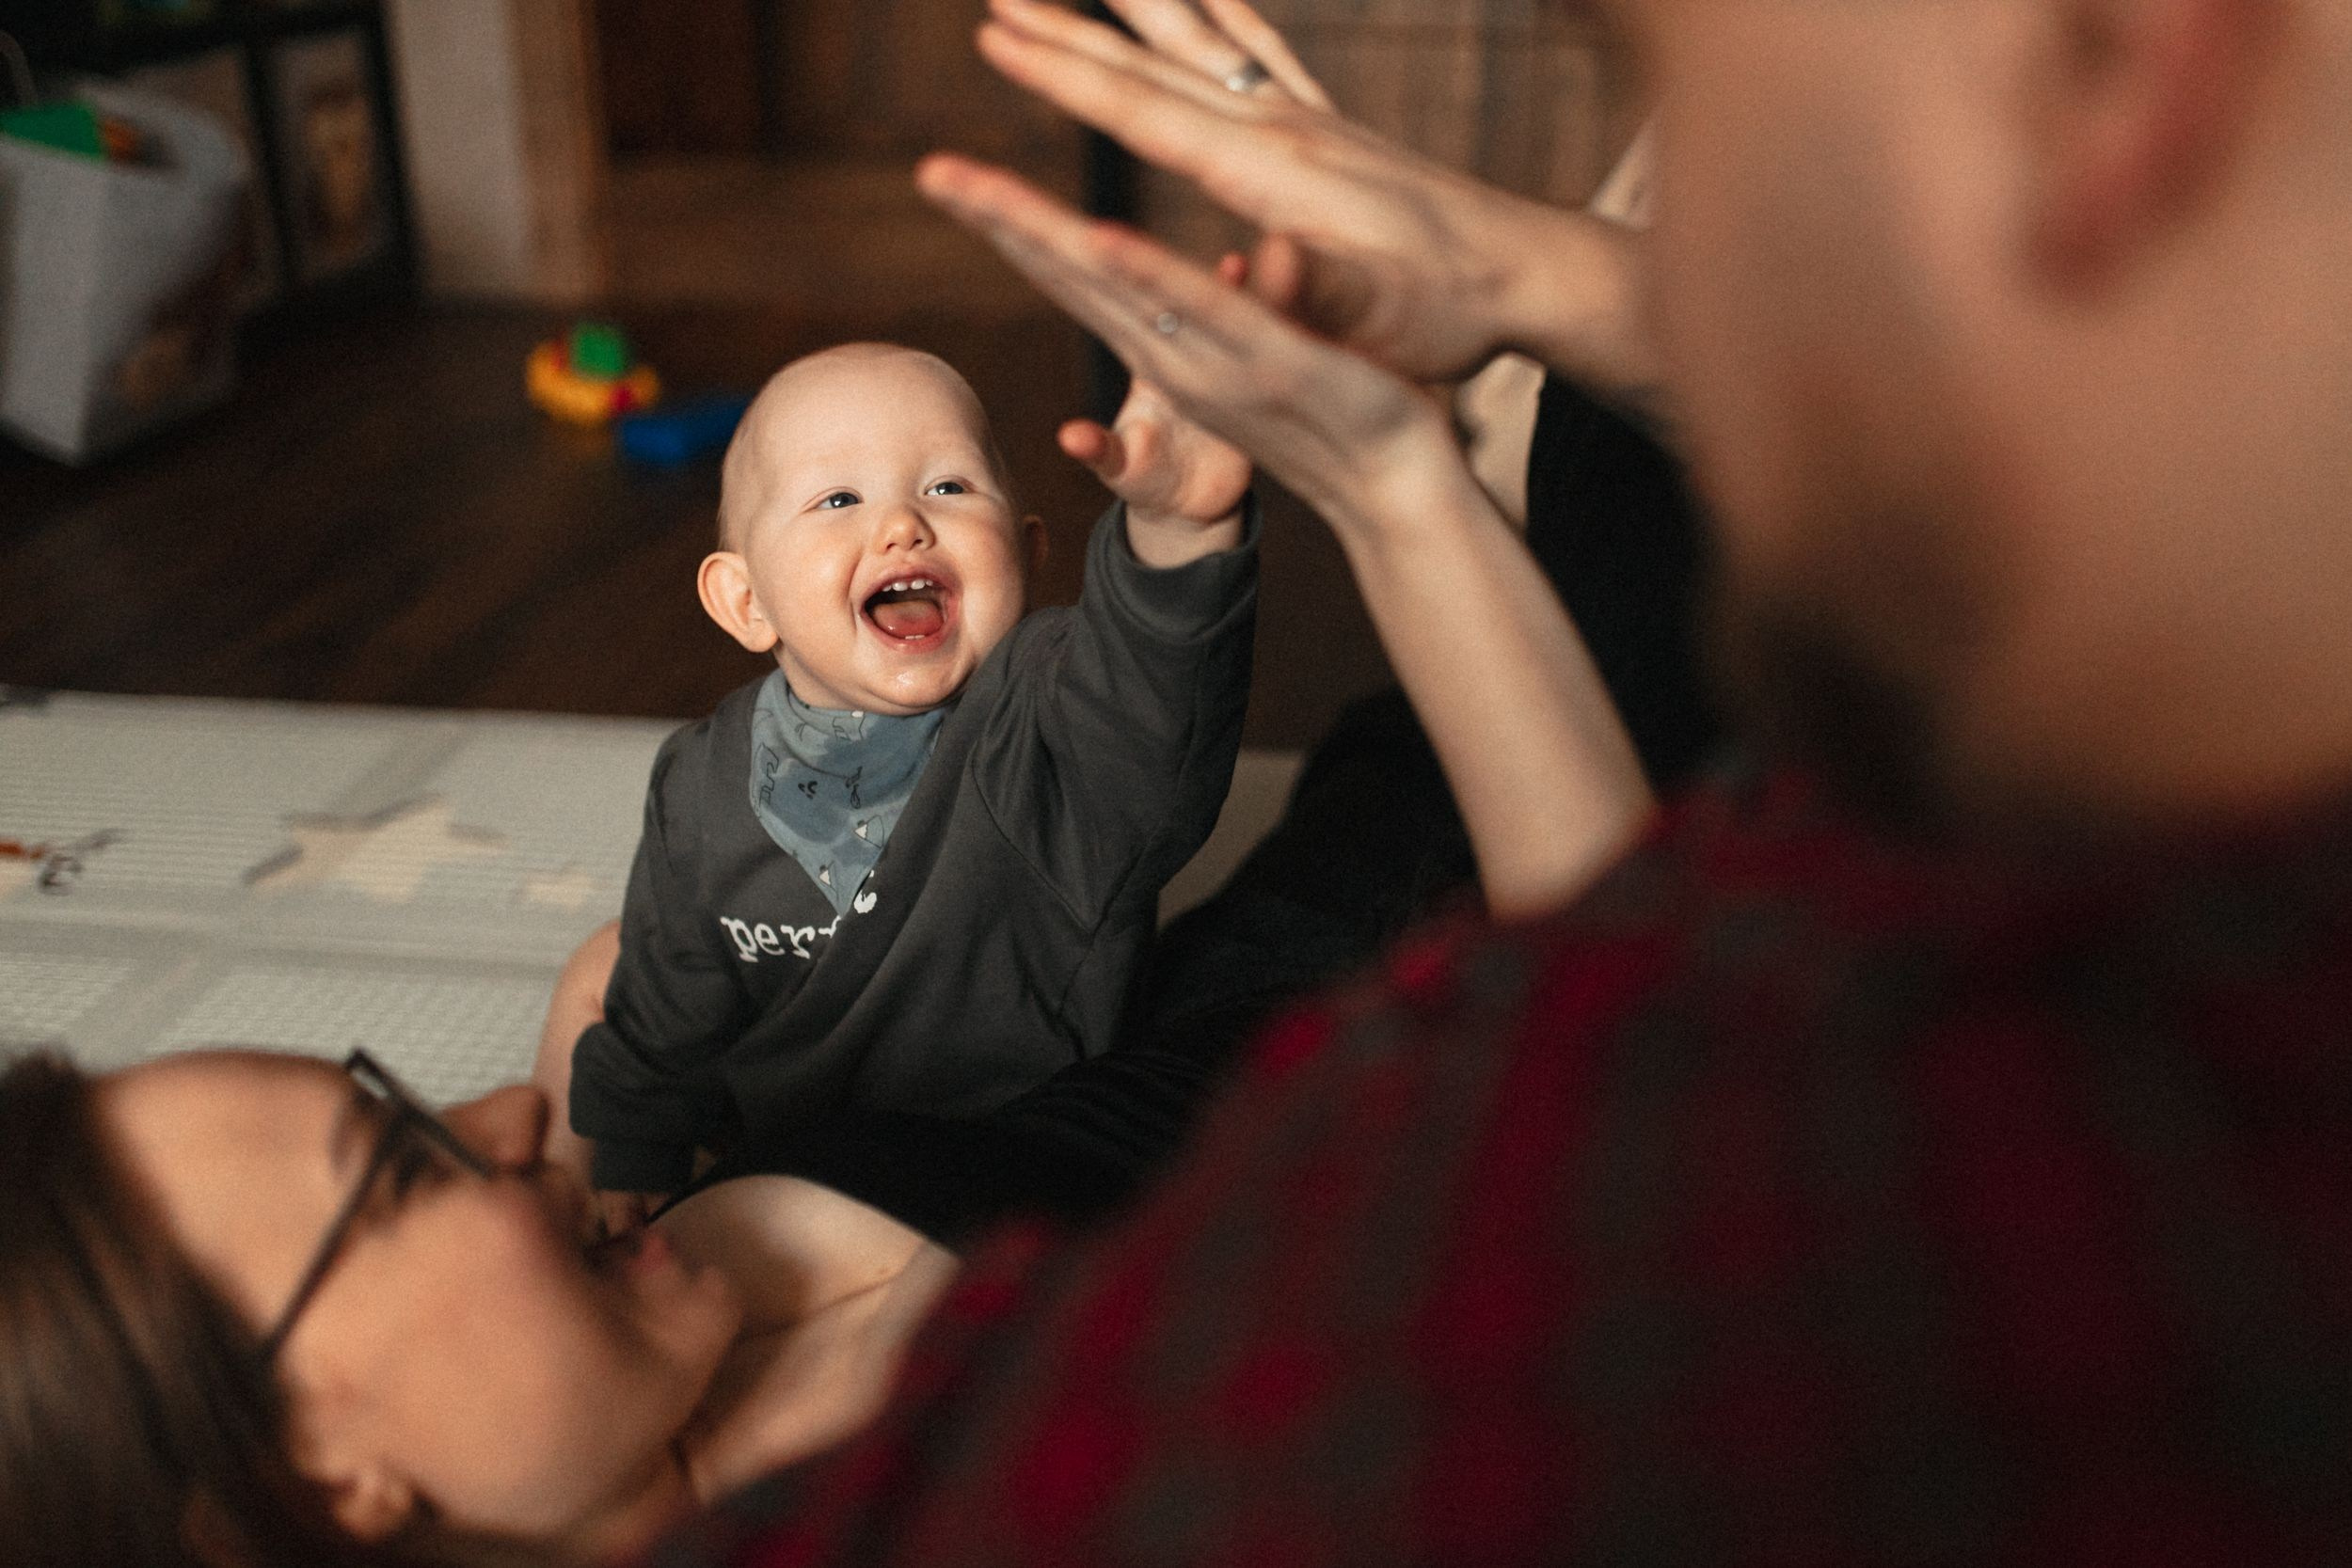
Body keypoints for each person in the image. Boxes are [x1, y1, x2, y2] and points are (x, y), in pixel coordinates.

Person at [553, 342, 1261, 1222]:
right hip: (772, 1142)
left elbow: (1151, 712)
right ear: (746, 602)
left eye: (949, 488)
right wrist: (635, 1151)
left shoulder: (1045, 727)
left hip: (987, 1169)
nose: (902, 525)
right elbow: (672, 988)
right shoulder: (701, 777)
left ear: (1029, 552)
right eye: (839, 499)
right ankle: (567, 1225)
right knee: (610, 970)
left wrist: (1179, 536)